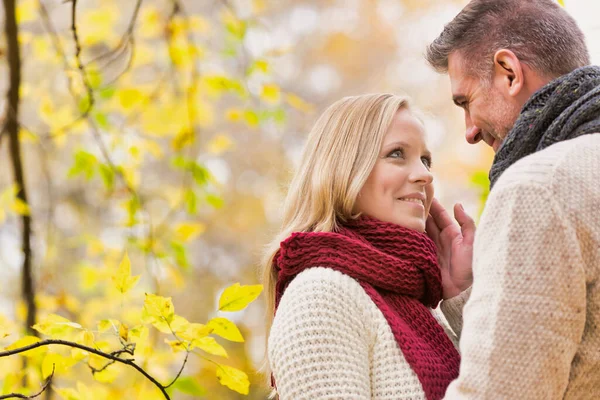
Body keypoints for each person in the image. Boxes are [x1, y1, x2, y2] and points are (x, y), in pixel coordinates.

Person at [425, 0, 600, 398]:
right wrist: (467, 293)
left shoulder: (540, 188)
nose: (468, 131)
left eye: (465, 102)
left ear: (508, 73)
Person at [262, 93, 474, 399]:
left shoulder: (420, 305)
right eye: (397, 154)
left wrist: (461, 294)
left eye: (425, 160)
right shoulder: (321, 295)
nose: (425, 175)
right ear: (344, 170)